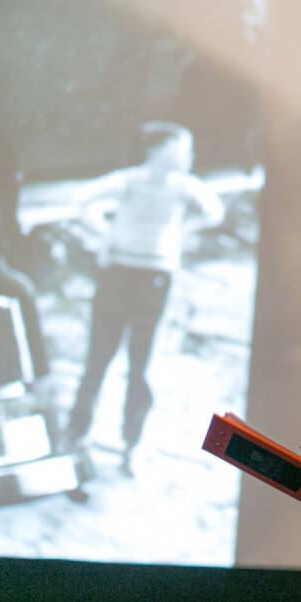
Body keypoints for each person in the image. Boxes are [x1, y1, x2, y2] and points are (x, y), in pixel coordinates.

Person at [66, 121, 224, 473]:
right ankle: (76, 434)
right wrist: (106, 233)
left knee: (143, 365)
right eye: (179, 149)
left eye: (187, 151)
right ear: (156, 150)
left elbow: (214, 211)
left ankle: (131, 445)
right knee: (98, 358)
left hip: (156, 277)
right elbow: (81, 200)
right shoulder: (129, 181)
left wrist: (183, 229)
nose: (186, 156)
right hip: (118, 273)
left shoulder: (184, 187)